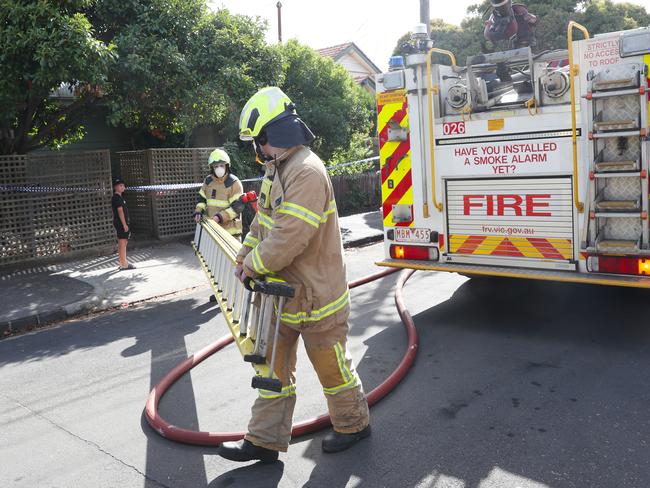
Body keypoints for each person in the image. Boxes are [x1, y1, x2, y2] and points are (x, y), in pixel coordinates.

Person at [218, 87, 370, 463]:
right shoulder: (278, 170)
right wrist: (243, 254)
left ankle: (354, 425)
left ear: (274, 134)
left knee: (332, 369)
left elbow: (289, 236)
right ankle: (264, 442)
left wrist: (254, 265)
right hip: (284, 295)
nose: (258, 150)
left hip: (318, 297)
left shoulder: (306, 172)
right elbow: (264, 225)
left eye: (260, 141)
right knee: (273, 370)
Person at [194, 148, 244, 240]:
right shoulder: (208, 181)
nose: (219, 168)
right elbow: (202, 199)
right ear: (212, 168)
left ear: (227, 166)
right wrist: (198, 211)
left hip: (231, 234)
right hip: (214, 231)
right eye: (216, 166)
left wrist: (219, 217)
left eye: (221, 165)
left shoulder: (233, 182)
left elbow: (237, 207)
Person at [111, 178, 134, 270]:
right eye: (120, 185)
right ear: (115, 187)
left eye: (123, 185)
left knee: (123, 242)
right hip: (121, 223)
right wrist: (124, 224)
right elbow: (120, 211)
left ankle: (123, 262)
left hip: (121, 223)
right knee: (122, 242)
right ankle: (124, 263)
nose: (123, 187)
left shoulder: (120, 197)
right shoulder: (116, 197)